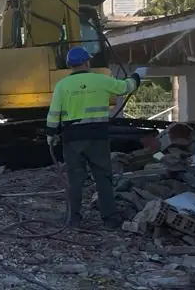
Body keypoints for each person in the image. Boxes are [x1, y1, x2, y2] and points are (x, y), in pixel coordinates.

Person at [46, 47, 147, 229]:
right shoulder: (102, 80)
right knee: (103, 177)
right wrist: (137, 76)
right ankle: (110, 219)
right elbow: (125, 87)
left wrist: (51, 135)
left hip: (73, 138)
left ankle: (73, 218)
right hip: (98, 137)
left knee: (75, 179)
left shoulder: (62, 86)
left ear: (70, 65)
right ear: (87, 62)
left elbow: (53, 114)